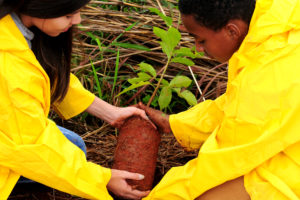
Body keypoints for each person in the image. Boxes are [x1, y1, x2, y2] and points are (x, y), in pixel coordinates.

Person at [140, 0, 300, 199]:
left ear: (232, 31)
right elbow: (236, 104)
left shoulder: (272, 72)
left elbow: (224, 160)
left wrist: (160, 195)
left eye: (201, 40)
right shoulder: (276, 20)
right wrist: (174, 123)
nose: (198, 48)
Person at [0, 0, 151, 199]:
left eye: (78, 12)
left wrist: (110, 112)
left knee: (72, 145)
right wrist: (102, 178)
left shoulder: (13, 29)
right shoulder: (8, 65)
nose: (77, 20)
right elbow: (31, 143)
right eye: (68, 15)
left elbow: (47, 77)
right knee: (66, 151)